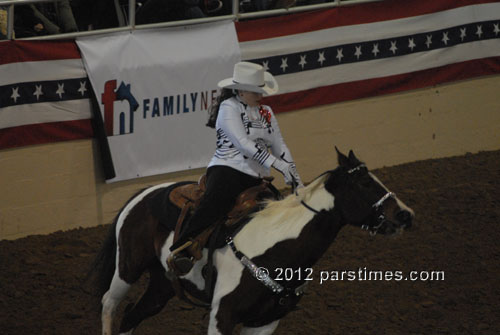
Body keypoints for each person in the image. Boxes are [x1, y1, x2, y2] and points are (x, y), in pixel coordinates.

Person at [169, 61, 303, 272]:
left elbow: (279, 144)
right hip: (227, 170)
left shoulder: (266, 112)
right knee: (213, 203)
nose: (260, 96)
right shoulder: (228, 108)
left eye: (261, 91)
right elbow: (244, 144)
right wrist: (278, 165)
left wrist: (294, 174)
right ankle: (182, 249)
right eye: (254, 91)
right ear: (240, 90)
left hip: (257, 178)